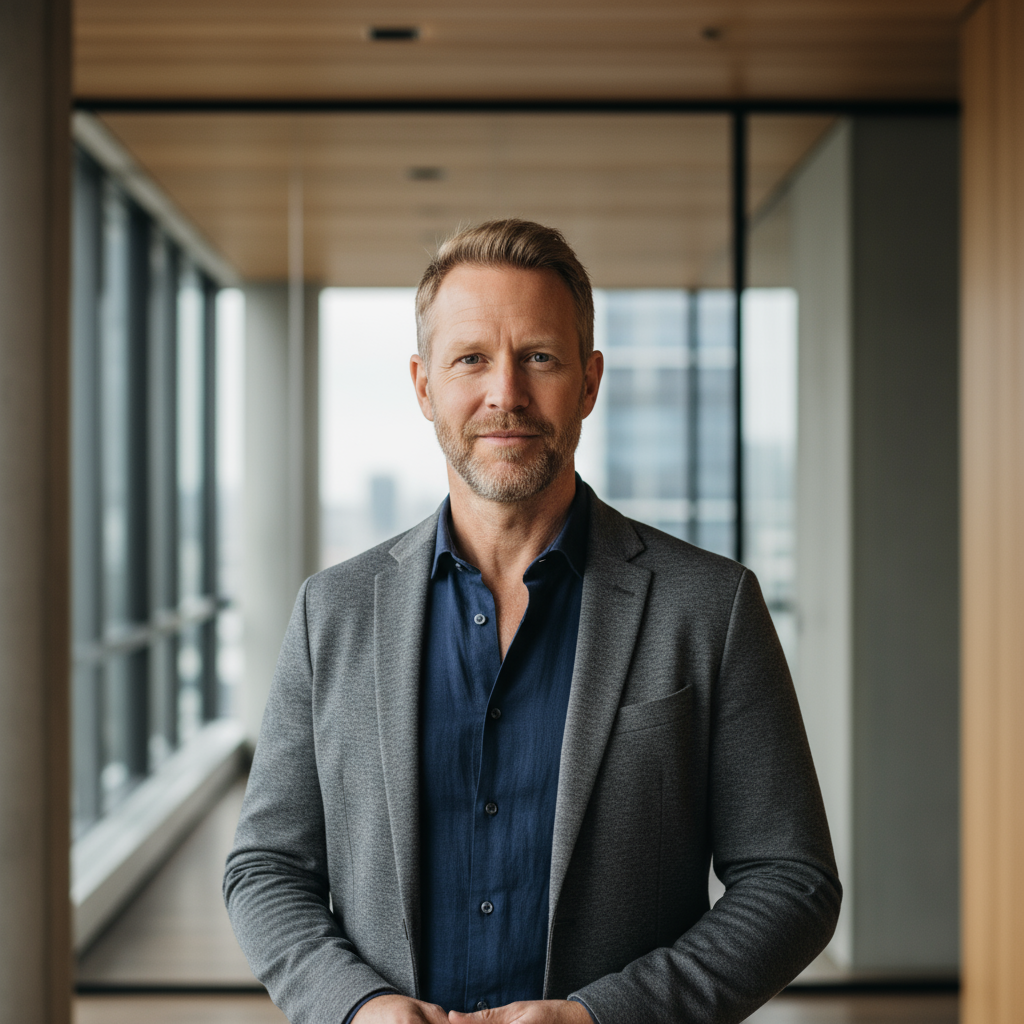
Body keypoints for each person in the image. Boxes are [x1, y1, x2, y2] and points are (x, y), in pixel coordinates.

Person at [224, 219, 841, 1024]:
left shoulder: (709, 606)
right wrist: (355, 1005)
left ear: (589, 381)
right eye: (471, 358)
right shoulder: (331, 612)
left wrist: (605, 1017)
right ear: (423, 385)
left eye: (539, 358)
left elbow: (791, 880)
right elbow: (266, 866)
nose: (505, 393)